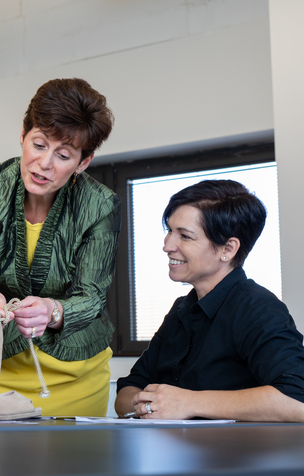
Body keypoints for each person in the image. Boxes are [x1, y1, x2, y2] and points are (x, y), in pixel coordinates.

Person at [0, 78, 120, 417]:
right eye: (39, 144)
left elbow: (92, 296)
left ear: (83, 162)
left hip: (77, 374)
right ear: (23, 135)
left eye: (63, 155)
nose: (44, 163)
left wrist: (53, 311)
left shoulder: (100, 204)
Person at [115, 180, 304, 421]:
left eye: (185, 236)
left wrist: (188, 403)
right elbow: (127, 390)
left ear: (228, 249)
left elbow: (297, 399)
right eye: (169, 231)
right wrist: (148, 405)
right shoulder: (181, 309)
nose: (167, 245)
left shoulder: (257, 307)